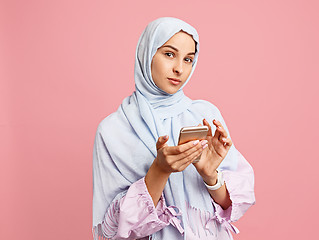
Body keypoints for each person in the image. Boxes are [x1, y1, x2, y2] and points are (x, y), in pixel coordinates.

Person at [92, 17, 255, 240]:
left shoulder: (205, 115)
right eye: (169, 54)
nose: (179, 68)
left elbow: (234, 204)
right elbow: (118, 228)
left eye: (188, 59)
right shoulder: (113, 130)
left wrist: (210, 176)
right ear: (147, 53)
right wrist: (160, 170)